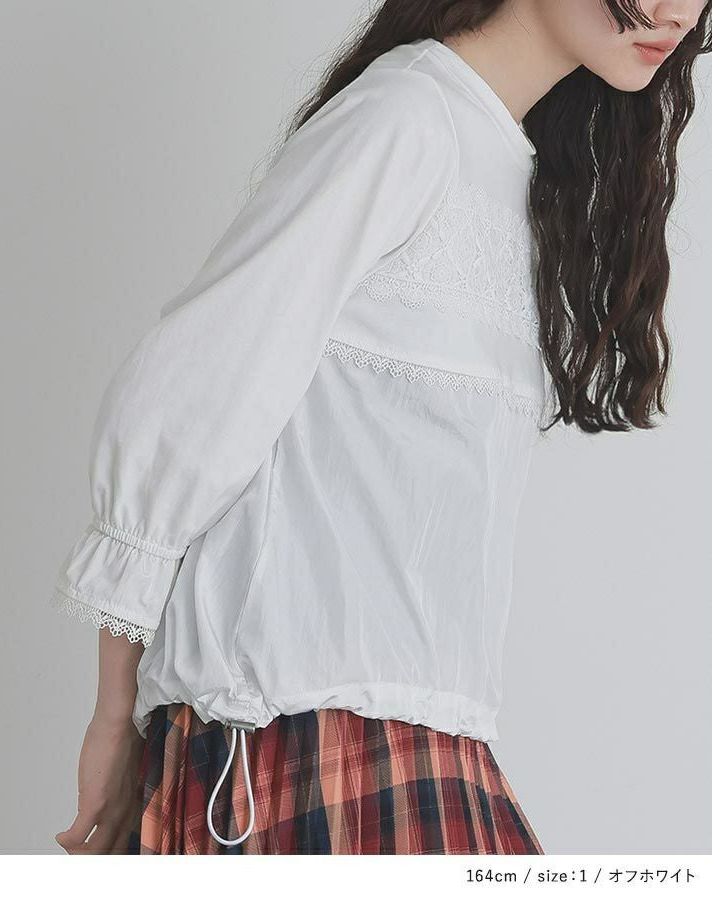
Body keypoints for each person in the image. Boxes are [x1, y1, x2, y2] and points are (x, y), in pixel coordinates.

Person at [50, 0, 708, 855]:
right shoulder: (405, 121)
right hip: (295, 741)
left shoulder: (513, 165)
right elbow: (187, 397)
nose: (674, 10)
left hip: (428, 744)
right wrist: (116, 715)